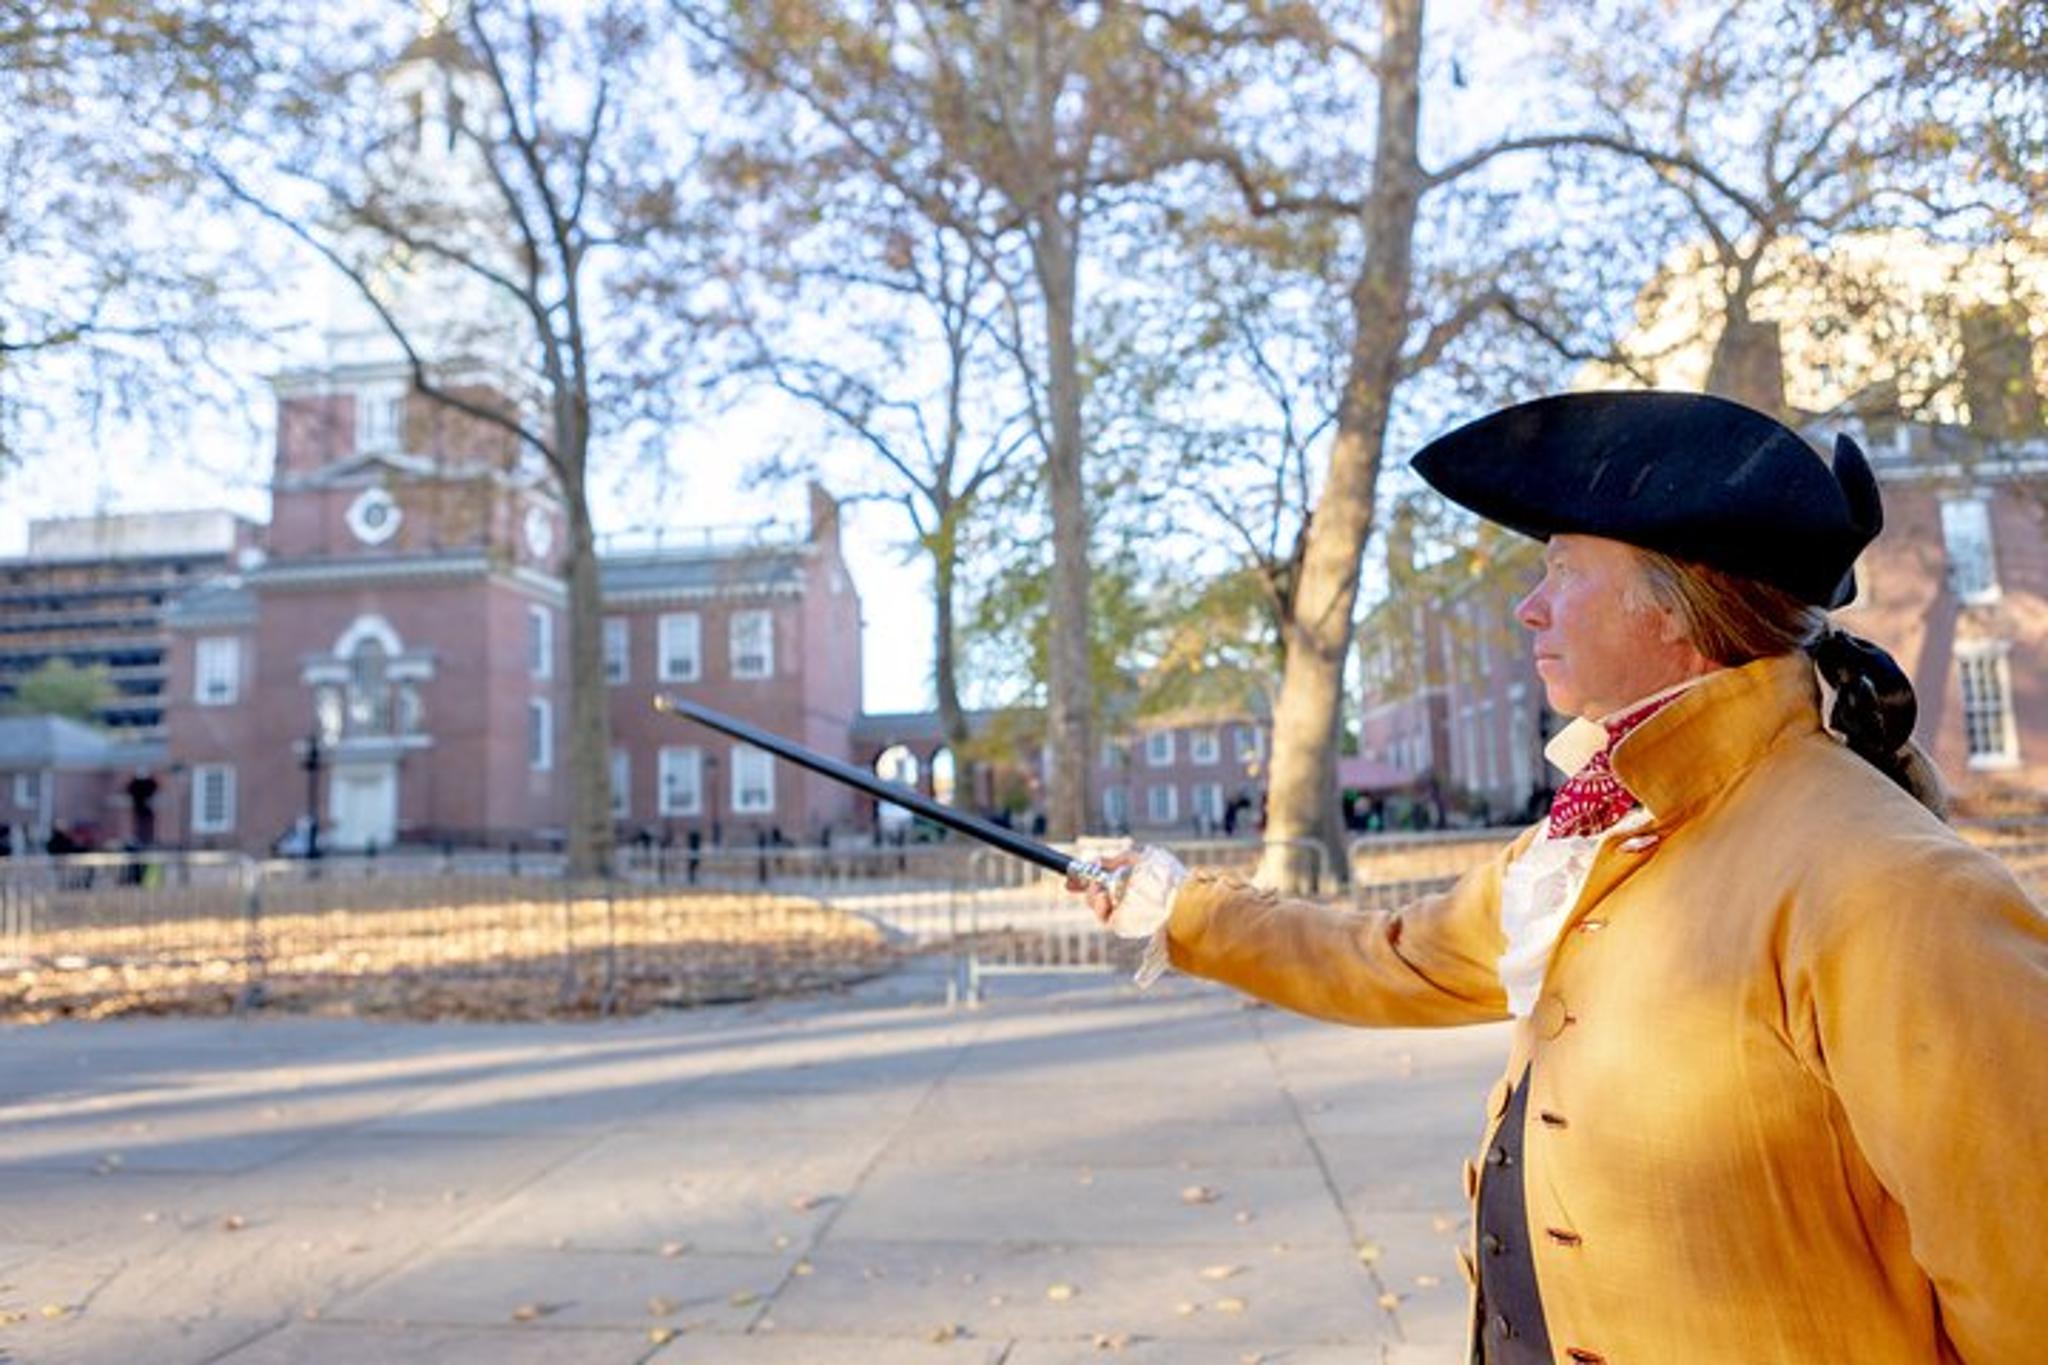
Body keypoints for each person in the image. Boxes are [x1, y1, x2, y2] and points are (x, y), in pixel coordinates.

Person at [1073, 392, 2047, 1364]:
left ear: (1675, 605)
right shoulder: (1600, 830)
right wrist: (1177, 907)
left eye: (1561, 570)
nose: (1527, 605)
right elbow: (1392, 959)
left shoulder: (1891, 892)